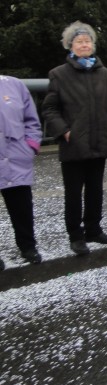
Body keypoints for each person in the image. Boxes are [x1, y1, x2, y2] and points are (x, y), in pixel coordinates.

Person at [42, 21, 107, 255]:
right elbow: (49, 109)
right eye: (79, 41)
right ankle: (75, 235)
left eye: (87, 41)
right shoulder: (59, 74)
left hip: (99, 141)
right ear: (70, 45)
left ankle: (93, 229)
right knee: (73, 193)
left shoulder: (104, 74)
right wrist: (65, 131)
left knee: (95, 190)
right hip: (74, 143)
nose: (84, 45)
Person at [0, 75, 43, 268]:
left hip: (16, 156)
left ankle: (28, 246)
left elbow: (31, 120)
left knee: (21, 206)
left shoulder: (14, 85)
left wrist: (31, 145)